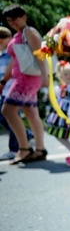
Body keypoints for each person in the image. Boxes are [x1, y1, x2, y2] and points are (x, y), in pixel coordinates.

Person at [0, 5, 47, 164]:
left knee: (8, 110)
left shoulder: (29, 32)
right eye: (8, 21)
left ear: (23, 17)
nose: (12, 23)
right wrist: (4, 81)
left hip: (27, 79)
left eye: (14, 19)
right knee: (31, 113)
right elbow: (13, 61)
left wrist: (45, 77)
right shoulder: (18, 35)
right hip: (22, 78)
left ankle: (24, 148)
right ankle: (40, 149)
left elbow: (41, 55)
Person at [0, 25, 34, 160]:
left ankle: (15, 148)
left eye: (3, 38)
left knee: (11, 115)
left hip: (14, 90)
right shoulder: (2, 55)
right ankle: (27, 135)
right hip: (4, 92)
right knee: (5, 117)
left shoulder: (14, 53)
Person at [44, 60, 70, 167]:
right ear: (61, 75)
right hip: (61, 115)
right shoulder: (62, 87)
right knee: (58, 134)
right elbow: (57, 97)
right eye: (65, 74)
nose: (68, 76)